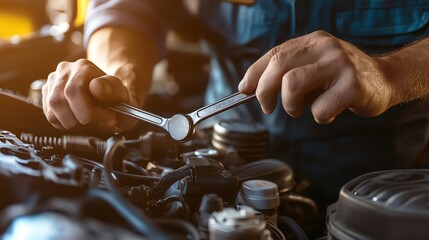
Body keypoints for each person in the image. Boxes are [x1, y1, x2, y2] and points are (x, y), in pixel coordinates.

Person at [42, 0, 429, 217]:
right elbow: (129, 8)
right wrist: (117, 75)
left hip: (388, 191)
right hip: (219, 167)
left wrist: (391, 72)